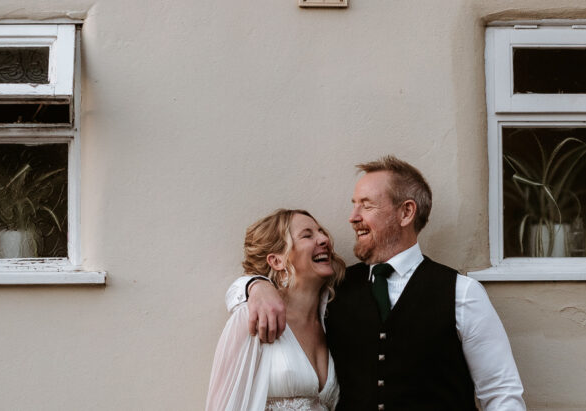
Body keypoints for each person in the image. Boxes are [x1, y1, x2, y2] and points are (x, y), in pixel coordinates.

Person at [230, 157, 525, 410]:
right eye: (354, 205)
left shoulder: (463, 293)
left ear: (406, 212)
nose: (352, 217)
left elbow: (502, 394)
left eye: (366, 206)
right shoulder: (332, 291)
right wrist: (255, 286)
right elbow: (274, 293)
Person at [207, 209, 348, 411]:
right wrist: (255, 284)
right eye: (307, 235)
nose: (324, 239)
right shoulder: (253, 315)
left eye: (321, 232)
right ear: (277, 261)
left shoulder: (332, 318)